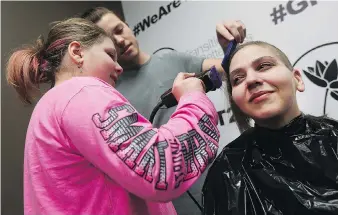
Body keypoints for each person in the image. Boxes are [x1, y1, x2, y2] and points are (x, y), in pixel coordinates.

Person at [6, 18, 220, 215]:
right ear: (77, 52)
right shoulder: (82, 92)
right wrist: (193, 97)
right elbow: (159, 167)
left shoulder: (49, 108)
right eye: (110, 55)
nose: (119, 68)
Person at [80, 7, 246, 213]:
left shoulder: (170, 60)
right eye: (109, 40)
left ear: (128, 26)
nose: (120, 41)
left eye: (119, 30)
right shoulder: (109, 94)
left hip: (219, 186)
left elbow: (228, 69)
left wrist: (228, 48)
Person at [202, 41, 338, 215]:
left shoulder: (333, 135)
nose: (251, 80)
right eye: (238, 79)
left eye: (264, 66)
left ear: (297, 79)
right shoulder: (228, 170)